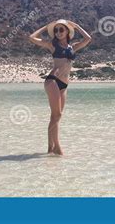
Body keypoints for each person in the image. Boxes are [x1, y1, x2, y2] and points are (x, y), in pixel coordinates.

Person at [29, 19, 92, 155]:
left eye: (61, 30)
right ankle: (57, 148)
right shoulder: (52, 45)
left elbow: (88, 38)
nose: (58, 33)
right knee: (56, 115)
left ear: (67, 31)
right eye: (56, 30)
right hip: (53, 81)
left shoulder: (72, 47)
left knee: (55, 117)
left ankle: (50, 148)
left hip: (64, 85)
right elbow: (32, 38)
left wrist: (77, 26)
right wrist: (45, 27)